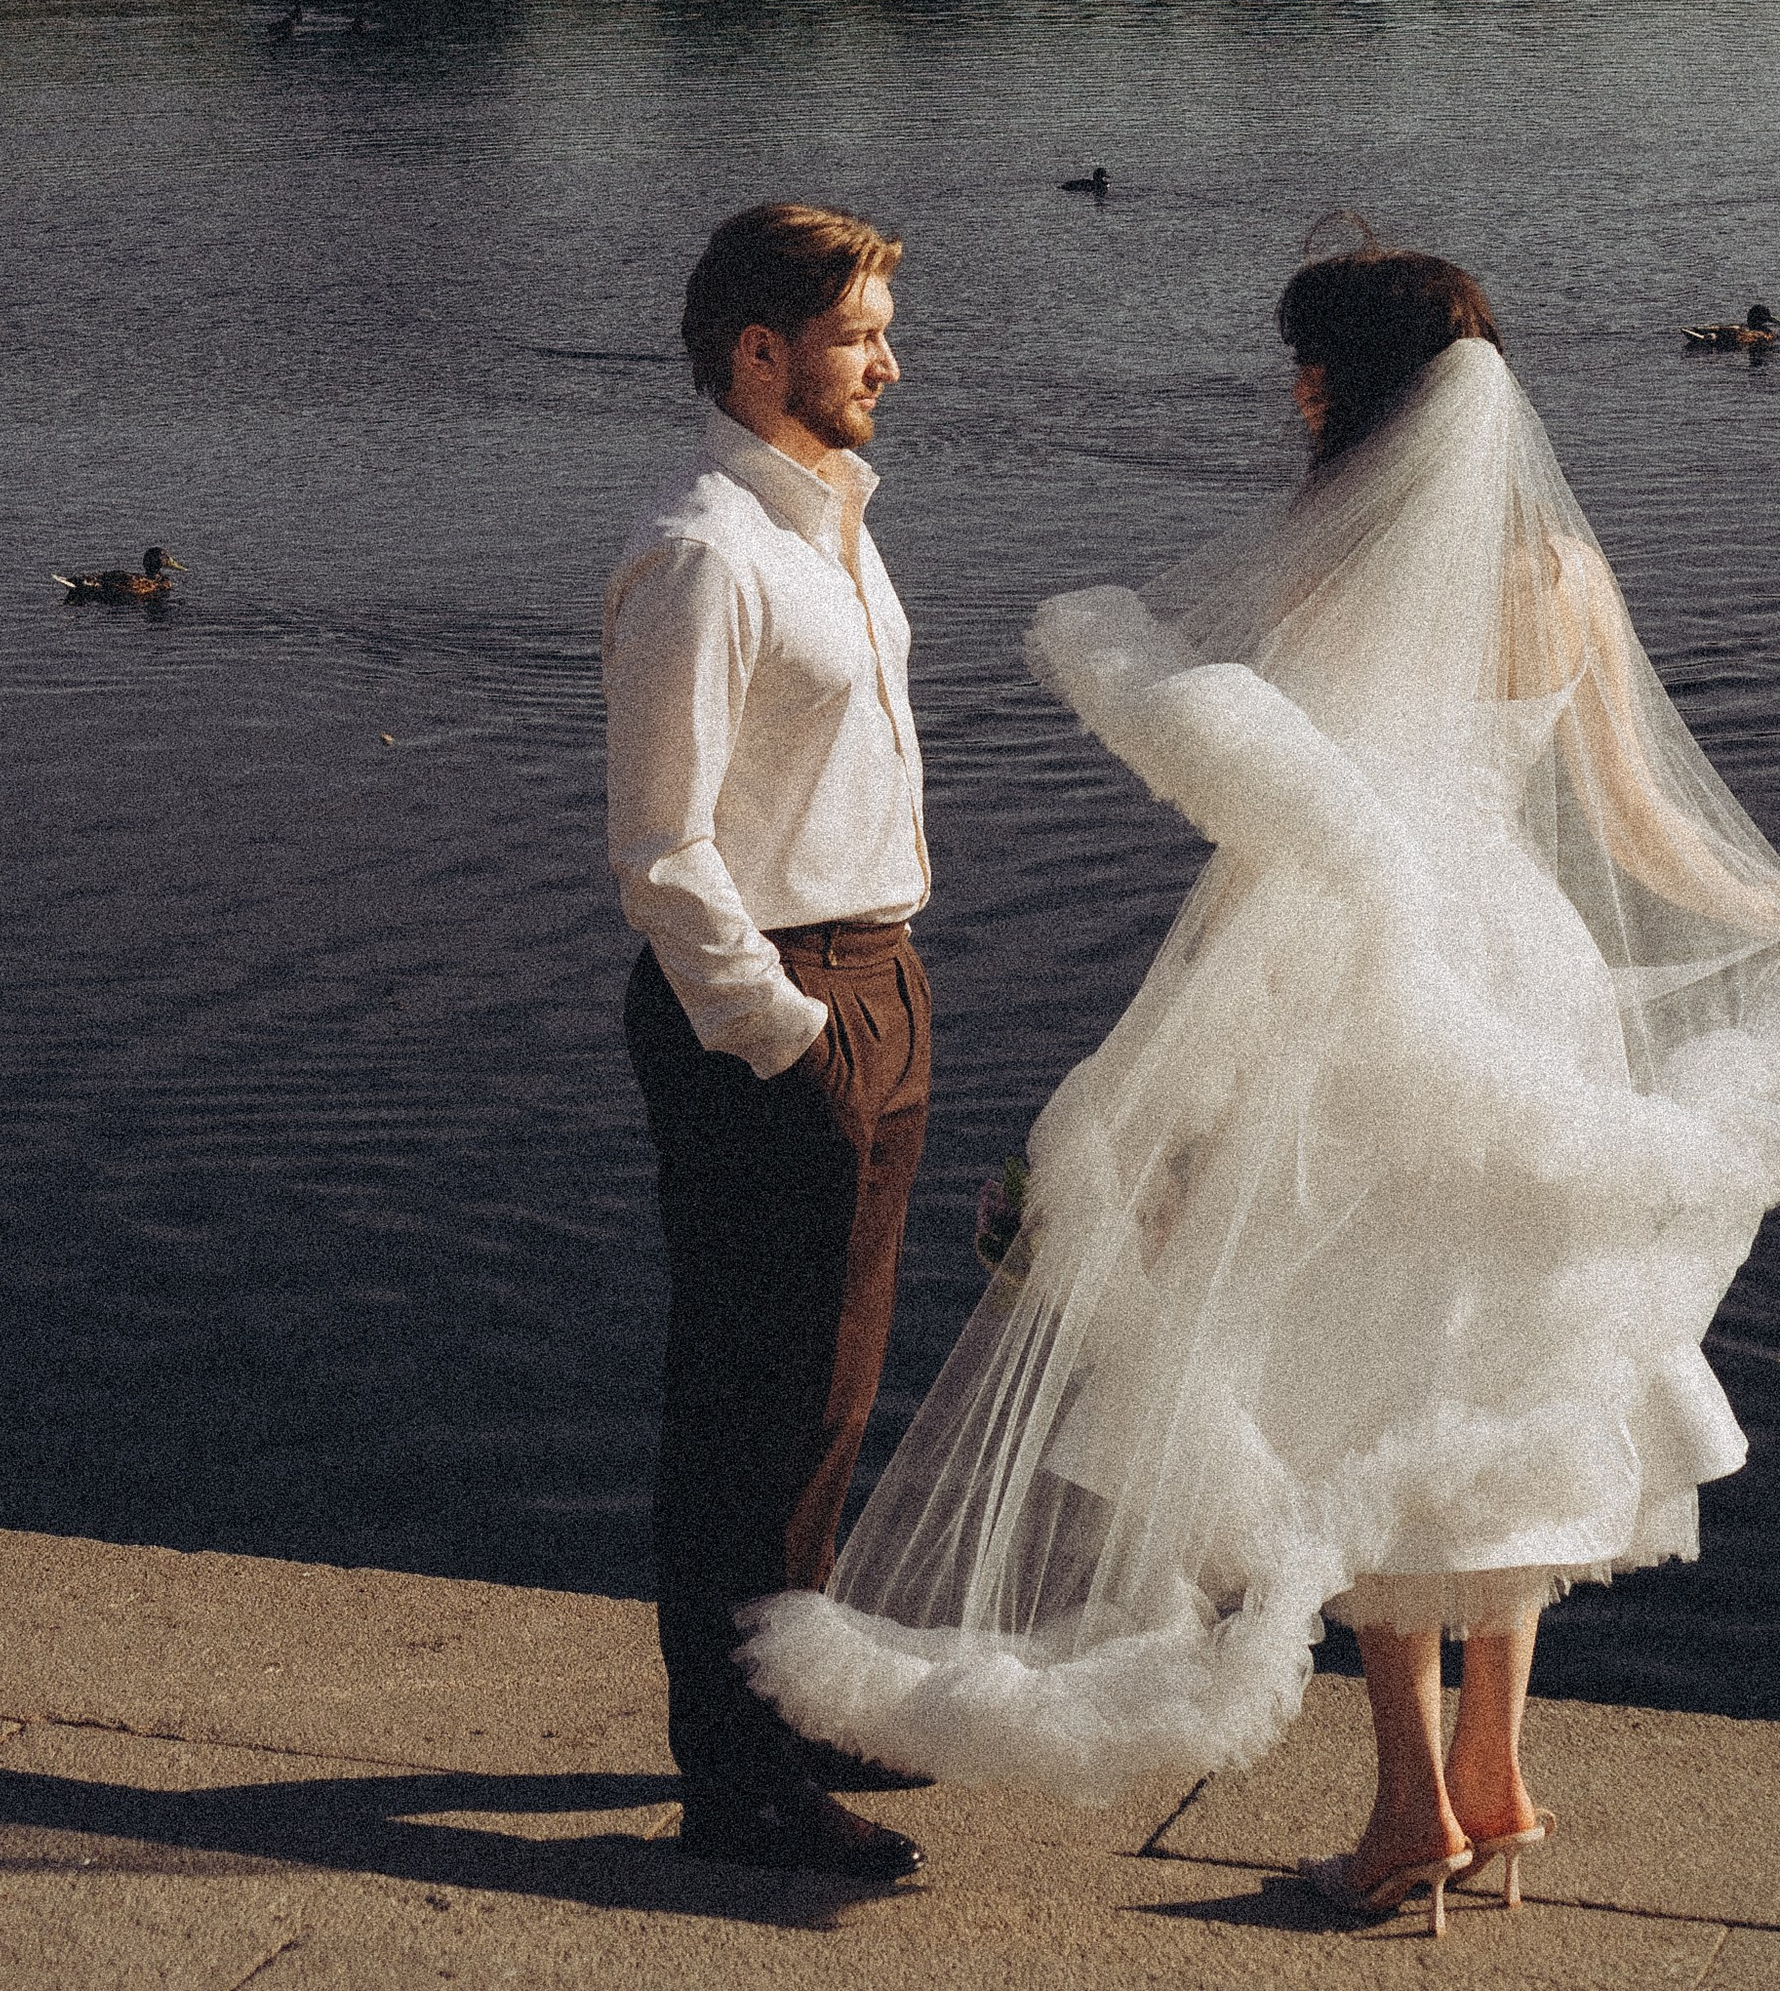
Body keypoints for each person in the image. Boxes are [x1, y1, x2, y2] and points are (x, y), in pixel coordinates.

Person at [740, 237, 1780, 1934]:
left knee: (1341, 1383)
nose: (1290, 388)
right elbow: (1646, 830)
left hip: (1366, 996)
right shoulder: (1570, 573)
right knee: (1503, 1360)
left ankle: (1403, 1819)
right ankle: (1498, 1782)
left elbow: (1286, 844)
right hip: (1527, 984)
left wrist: (1159, 1076)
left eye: (1304, 361)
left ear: (1346, 386)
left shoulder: (1327, 574)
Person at [605, 200, 932, 1878]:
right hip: (778, 1014)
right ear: (761, 353)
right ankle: (734, 1783)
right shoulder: (709, 552)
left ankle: (789, 1703)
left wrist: (867, 1010)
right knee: (749, 1407)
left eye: (881, 327)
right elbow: (662, 853)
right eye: (860, 331)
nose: (889, 358)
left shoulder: (834, 528)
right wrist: (788, 1036)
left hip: (874, 980)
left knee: (832, 1395)